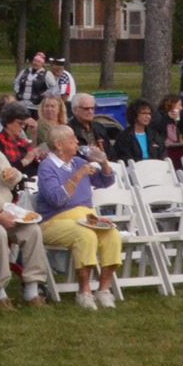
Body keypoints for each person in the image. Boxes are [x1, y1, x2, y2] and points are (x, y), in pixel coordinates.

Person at [35, 124, 123, 309]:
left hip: (87, 217)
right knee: (85, 235)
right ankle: (84, 292)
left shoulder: (79, 162)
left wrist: (104, 162)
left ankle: (104, 289)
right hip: (55, 221)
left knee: (112, 234)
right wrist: (77, 176)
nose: (77, 142)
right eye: (72, 139)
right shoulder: (47, 167)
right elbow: (56, 199)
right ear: (59, 145)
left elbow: (106, 181)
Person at [0, 132, 52, 307]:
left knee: (32, 230)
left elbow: (13, 179)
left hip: (6, 209)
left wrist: (13, 176)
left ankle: (32, 289)